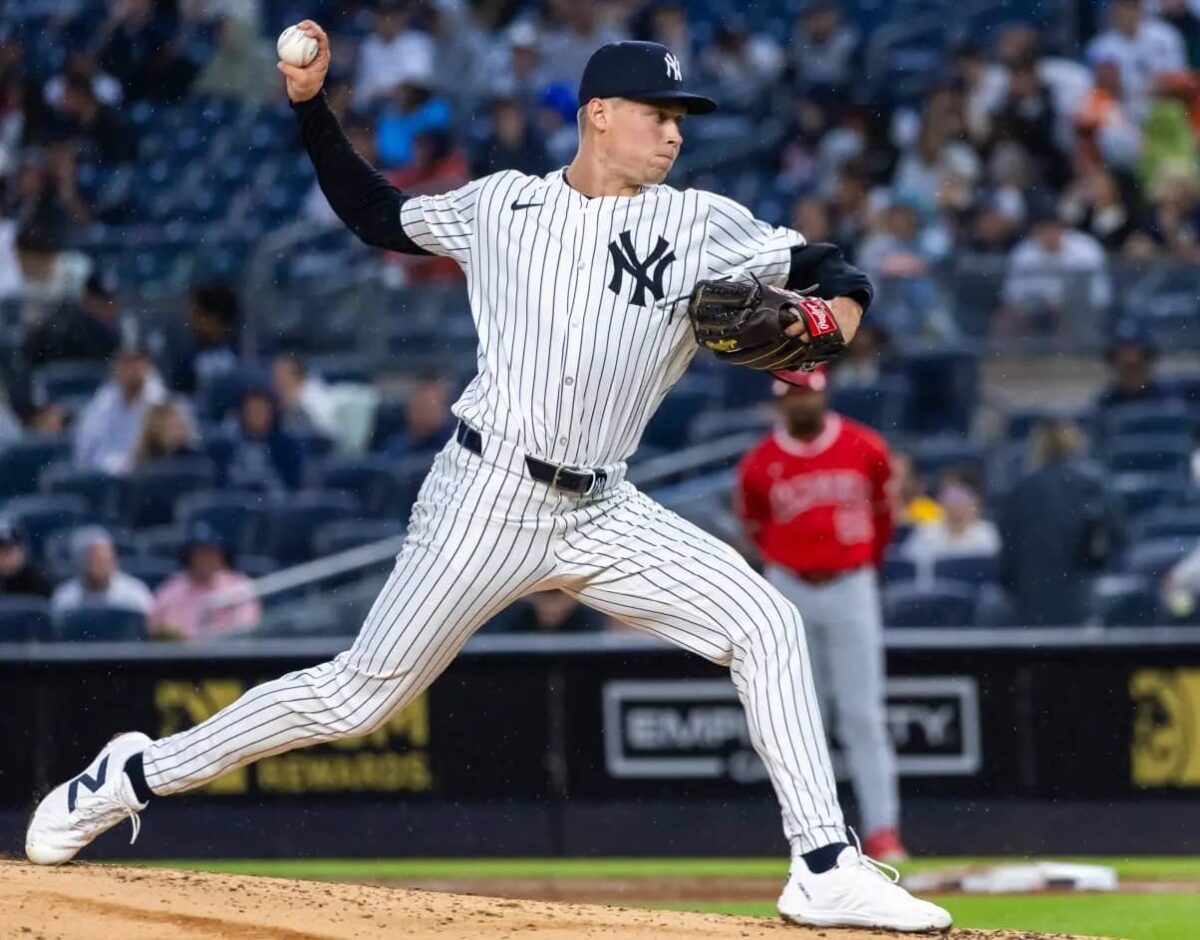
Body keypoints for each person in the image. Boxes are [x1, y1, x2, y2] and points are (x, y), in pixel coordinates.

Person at [26, 29, 949, 933]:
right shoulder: (502, 206)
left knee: (767, 624)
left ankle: (825, 867)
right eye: (657, 113)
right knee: (358, 698)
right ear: (597, 114)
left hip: (605, 506)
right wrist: (312, 114)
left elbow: (834, 268)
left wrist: (837, 314)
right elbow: (376, 213)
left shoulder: (702, 222)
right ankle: (130, 777)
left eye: (683, 117)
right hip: (487, 497)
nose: (675, 132)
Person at [736, 366, 906, 864]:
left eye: (806, 394)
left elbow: (883, 516)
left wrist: (858, 566)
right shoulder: (759, 462)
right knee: (798, 716)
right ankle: (815, 836)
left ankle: (883, 831)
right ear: (779, 401)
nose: (800, 403)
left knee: (862, 714)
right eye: (791, 395)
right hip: (789, 584)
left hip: (851, 581)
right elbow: (754, 526)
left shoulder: (864, 446)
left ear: (823, 393)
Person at [1000, 421, 1124, 626]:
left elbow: (1006, 564)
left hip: (1032, 604)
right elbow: (1119, 541)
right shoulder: (1094, 485)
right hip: (1083, 602)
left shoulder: (1021, 491)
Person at [149, 523, 261, 641]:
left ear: (222, 556)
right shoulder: (172, 588)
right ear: (189, 557)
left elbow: (246, 628)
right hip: (181, 656)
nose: (205, 559)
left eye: (211, 553)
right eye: (199, 554)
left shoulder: (239, 587)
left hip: (225, 655)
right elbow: (156, 630)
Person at [73, 344, 168, 475]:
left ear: (147, 366)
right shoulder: (102, 403)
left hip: (150, 477)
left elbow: (165, 454)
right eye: (126, 363)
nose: (132, 370)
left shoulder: (161, 400)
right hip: (109, 479)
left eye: (137, 362)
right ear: (115, 368)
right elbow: (86, 455)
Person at [49, 526, 152, 623]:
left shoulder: (136, 594)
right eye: (95, 560)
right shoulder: (65, 598)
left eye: (106, 559)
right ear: (80, 562)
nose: (102, 565)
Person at [23, 267, 124, 366]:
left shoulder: (117, 329)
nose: (109, 306)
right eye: (102, 301)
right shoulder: (64, 325)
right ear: (87, 298)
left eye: (112, 301)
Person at [903, 467, 1001, 562]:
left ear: (976, 501)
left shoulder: (986, 534)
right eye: (950, 495)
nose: (955, 503)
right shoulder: (925, 533)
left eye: (962, 496)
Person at [224, 387, 304, 491]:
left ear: (271, 413)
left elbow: (292, 487)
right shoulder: (228, 446)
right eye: (251, 410)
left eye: (260, 410)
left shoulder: (288, 448)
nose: (256, 415)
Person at [168, 282, 241, 395]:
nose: (191, 322)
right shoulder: (186, 360)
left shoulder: (243, 355)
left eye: (197, 315)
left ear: (214, 319)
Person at [1096, 320, 1168, 408]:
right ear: (1113, 362)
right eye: (1124, 358)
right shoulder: (1105, 405)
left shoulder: (1166, 400)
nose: (1131, 360)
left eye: (1138, 357)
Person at [381, 375, 454, 461]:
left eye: (428, 407)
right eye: (418, 406)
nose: (422, 413)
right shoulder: (396, 445)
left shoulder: (454, 446)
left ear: (443, 410)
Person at [271, 353, 337, 438]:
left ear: (297, 375)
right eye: (275, 374)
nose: (275, 380)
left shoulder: (315, 401)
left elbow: (329, 435)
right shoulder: (286, 401)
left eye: (280, 375)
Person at [132, 401, 201, 469]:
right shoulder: (143, 466)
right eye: (172, 428)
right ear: (155, 429)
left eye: (181, 426)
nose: (178, 433)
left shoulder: (197, 462)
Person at [0, 518, 53, 597]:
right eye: (1, 553)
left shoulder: (38, 581)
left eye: (10, 552)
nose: (6, 559)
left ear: (23, 550)